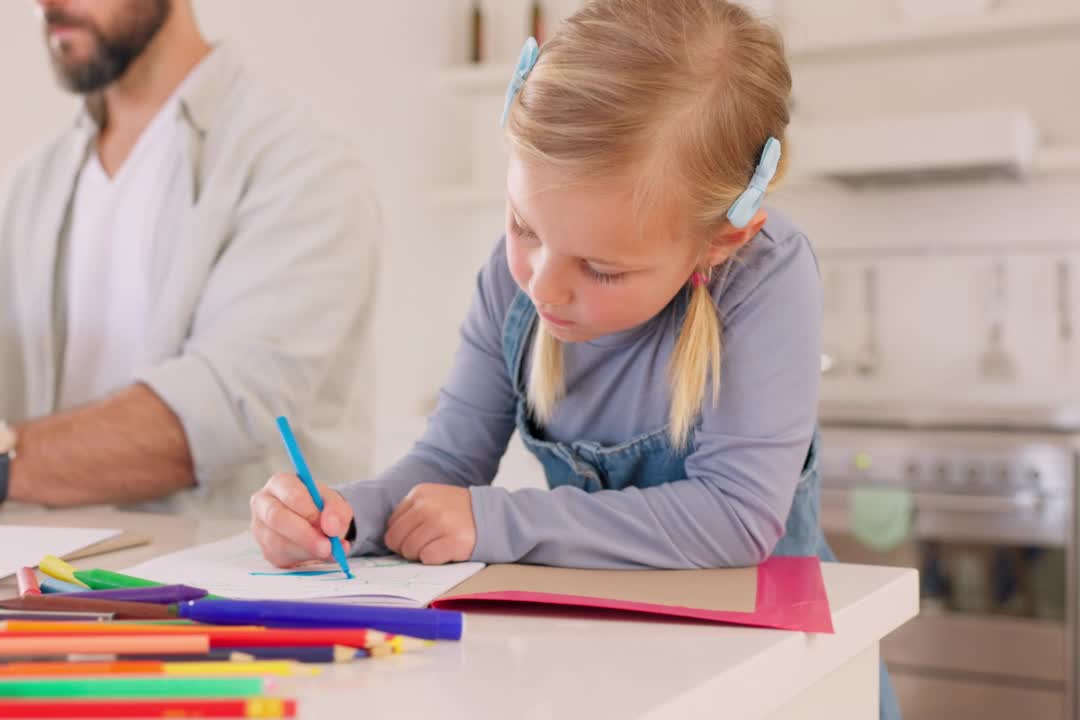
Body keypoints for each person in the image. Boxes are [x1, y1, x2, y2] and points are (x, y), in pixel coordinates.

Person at [248, 0, 900, 716]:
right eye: (524, 226)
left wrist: (496, 521)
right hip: (621, 664)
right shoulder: (513, 278)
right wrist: (341, 518)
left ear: (720, 242)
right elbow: (446, 463)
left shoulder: (765, 278)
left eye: (601, 269)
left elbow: (735, 516)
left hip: (786, 675)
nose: (543, 285)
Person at [0, 0, 379, 519]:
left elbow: (211, 418)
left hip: (222, 608)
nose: (46, 5)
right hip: (37, 593)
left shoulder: (303, 167)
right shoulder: (37, 179)